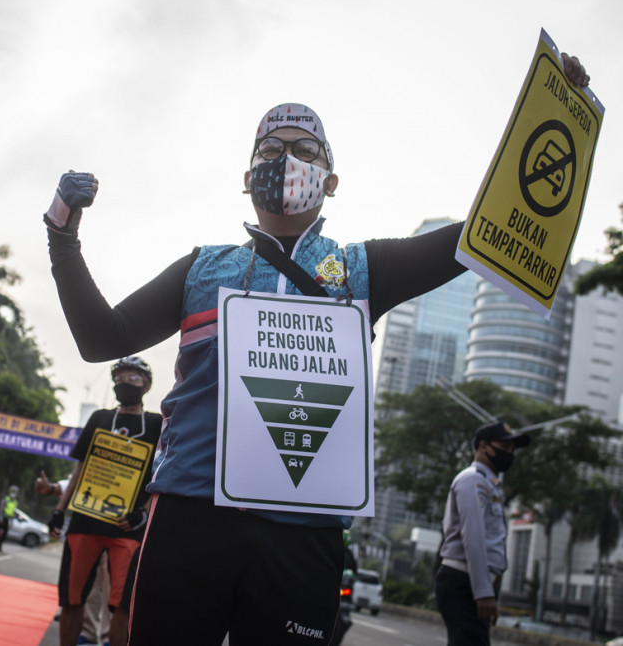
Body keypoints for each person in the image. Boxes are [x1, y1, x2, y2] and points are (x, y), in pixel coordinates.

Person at [42, 55, 590, 644]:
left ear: (331, 181)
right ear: (247, 177)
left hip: (303, 535)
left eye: (306, 150)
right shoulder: (202, 269)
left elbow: (483, 233)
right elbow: (102, 338)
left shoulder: (362, 269)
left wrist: (552, 114)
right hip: (190, 518)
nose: (286, 158)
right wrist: (61, 232)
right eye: (270, 148)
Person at [45, 357, 162, 646]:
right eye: (120, 377)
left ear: (146, 384)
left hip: (127, 528)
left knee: (122, 606)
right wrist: (60, 511)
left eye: (133, 378)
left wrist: (143, 514)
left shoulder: (157, 424)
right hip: (85, 521)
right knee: (72, 600)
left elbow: (160, 475)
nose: (125, 383)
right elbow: (80, 468)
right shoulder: (99, 418)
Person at [435, 421, 532, 645]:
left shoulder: (490, 484)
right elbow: (473, 537)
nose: (510, 453)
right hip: (463, 581)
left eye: (513, 449)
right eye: (505, 446)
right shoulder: (473, 480)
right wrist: (483, 592)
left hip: (471, 582)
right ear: (483, 446)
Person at [36, 471, 111, 646]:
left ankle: (110, 637)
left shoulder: (154, 445)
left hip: (124, 523)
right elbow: (80, 474)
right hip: (91, 519)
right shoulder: (96, 446)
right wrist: (52, 489)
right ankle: (88, 635)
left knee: (113, 586)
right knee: (88, 583)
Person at [0, 485, 19, 551]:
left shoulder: (15, 502)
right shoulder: (6, 499)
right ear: (9, 491)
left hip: (8, 519)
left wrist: (11, 522)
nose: (13, 493)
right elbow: (1, 509)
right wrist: (0, 518)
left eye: (15, 492)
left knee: (4, 534)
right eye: (12, 491)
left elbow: (13, 512)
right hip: (2, 518)